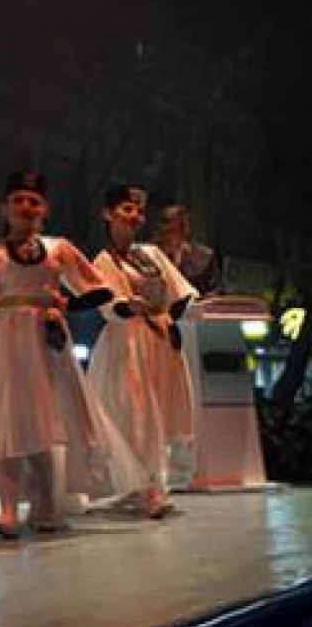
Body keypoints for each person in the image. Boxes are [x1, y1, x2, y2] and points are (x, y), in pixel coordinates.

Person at [0, 172, 146, 538]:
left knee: (45, 422)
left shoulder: (59, 248)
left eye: (34, 201)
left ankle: (46, 507)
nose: (26, 207)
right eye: (18, 200)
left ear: (45, 209)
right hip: (7, 338)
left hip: (46, 338)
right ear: (5, 208)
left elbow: (98, 288)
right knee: (8, 419)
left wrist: (66, 304)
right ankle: (8, 511)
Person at [88, 184, 199, 519]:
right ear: (108, 214)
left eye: (138, 210)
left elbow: (179, 292)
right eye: (126, 209)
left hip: (159, 340)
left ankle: (152, 483)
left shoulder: (150, 254)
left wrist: (170, 321)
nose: (134, 216)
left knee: (161, 410)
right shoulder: (103, 260)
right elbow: (110, 305)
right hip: (127, 343)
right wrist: (132, 307)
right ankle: (146, 485)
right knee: (136, 412)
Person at [153, 205, 222, 296]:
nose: (165, 231)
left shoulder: (205, 256)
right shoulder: (149, 254)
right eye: (164, 226)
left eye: (174, 229)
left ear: (185, 229)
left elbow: (216, 289)